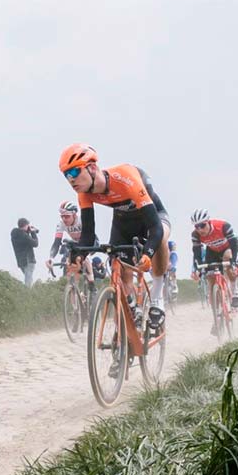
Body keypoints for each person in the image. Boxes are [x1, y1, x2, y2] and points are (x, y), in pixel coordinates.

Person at [58, 143, 171, 337]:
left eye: (75, 172)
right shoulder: (84, 194)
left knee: (160, 239)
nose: (71, 179)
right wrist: (78, 253)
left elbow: (155, 228)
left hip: (153, 218)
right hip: (123, 222)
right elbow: (87, 236)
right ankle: (127, 323)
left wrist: (147, 254)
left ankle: (157, 296)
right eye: (66, 175)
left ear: (92, 168)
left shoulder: (127, 177)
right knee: (118, 266)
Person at [188, 209, 238, 332]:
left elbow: (234, 245)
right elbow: (196, 252)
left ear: (208, 222)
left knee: (228, 260)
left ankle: (235, 294)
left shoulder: (223, 226)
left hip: (227, 249)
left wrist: (233, 262)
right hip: (212, 252)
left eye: (202, 225)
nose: (200, 229)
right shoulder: (195, 235)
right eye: (196, 226)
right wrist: (197, 268)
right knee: (210, 279)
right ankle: (217, 319)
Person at [46, 201, 95, 292]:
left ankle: (92, 283)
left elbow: (89, 238)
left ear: (74, 215)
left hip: (90, 241)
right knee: (71, 261)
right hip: (77, 243)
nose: (64, 219)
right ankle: (74, 292)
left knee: (82, 259)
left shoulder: (81, 221)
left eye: (67, 216)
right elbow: (56, 242)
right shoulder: (61, 224)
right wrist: (51, 258)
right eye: (62, 216)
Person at [10, 218, 39, 287]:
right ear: (25, 225)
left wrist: (28, 231)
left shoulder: (15, 234)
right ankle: (28, 294)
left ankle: (28, 292)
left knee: (28, 278)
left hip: (20, 261)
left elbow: (23, 240)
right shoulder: (24, 236)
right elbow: (35, 244)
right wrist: (33, 232)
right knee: (28, 280)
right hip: (28, 260)